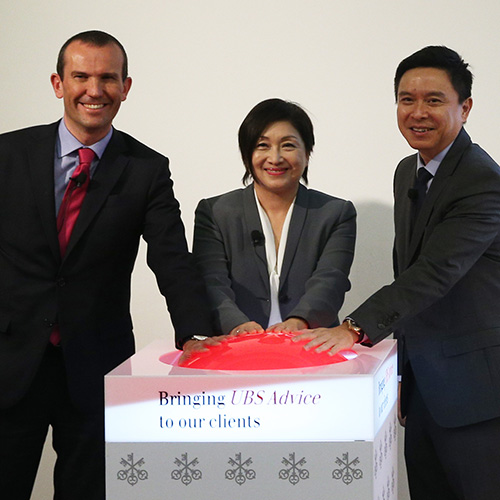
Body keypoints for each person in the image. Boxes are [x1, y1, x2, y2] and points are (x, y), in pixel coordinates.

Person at [0, 30, 213, 500]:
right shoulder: (8, 155)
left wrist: (196, 336)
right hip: (10, 360)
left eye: (108, 78)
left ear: (126, 86)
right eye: (81, 76)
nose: (94, 90)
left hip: (96, 365)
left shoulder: (146, 169)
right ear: (58, 83)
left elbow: (172, 258)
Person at [295, 46, 500, 500]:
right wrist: (404, 375)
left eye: (433, 100)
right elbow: (406, 266)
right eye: (407, 100)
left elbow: (433, 273)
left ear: (465, 107)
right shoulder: (408, 171)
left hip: (478, 396)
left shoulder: (483, 181)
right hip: (425, 387)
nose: (417, 112)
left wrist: (355, 327)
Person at [188, 98, 356, 352]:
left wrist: (299, 321)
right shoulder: (215, 212)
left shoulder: (335, 213)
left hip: (311, 348)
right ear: (247, 154)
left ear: (307, 152)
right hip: (235, 350)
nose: (275, 158)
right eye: (262, 146)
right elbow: (212, 282)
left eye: (288, 145)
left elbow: (331, 280)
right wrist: (237, 325)